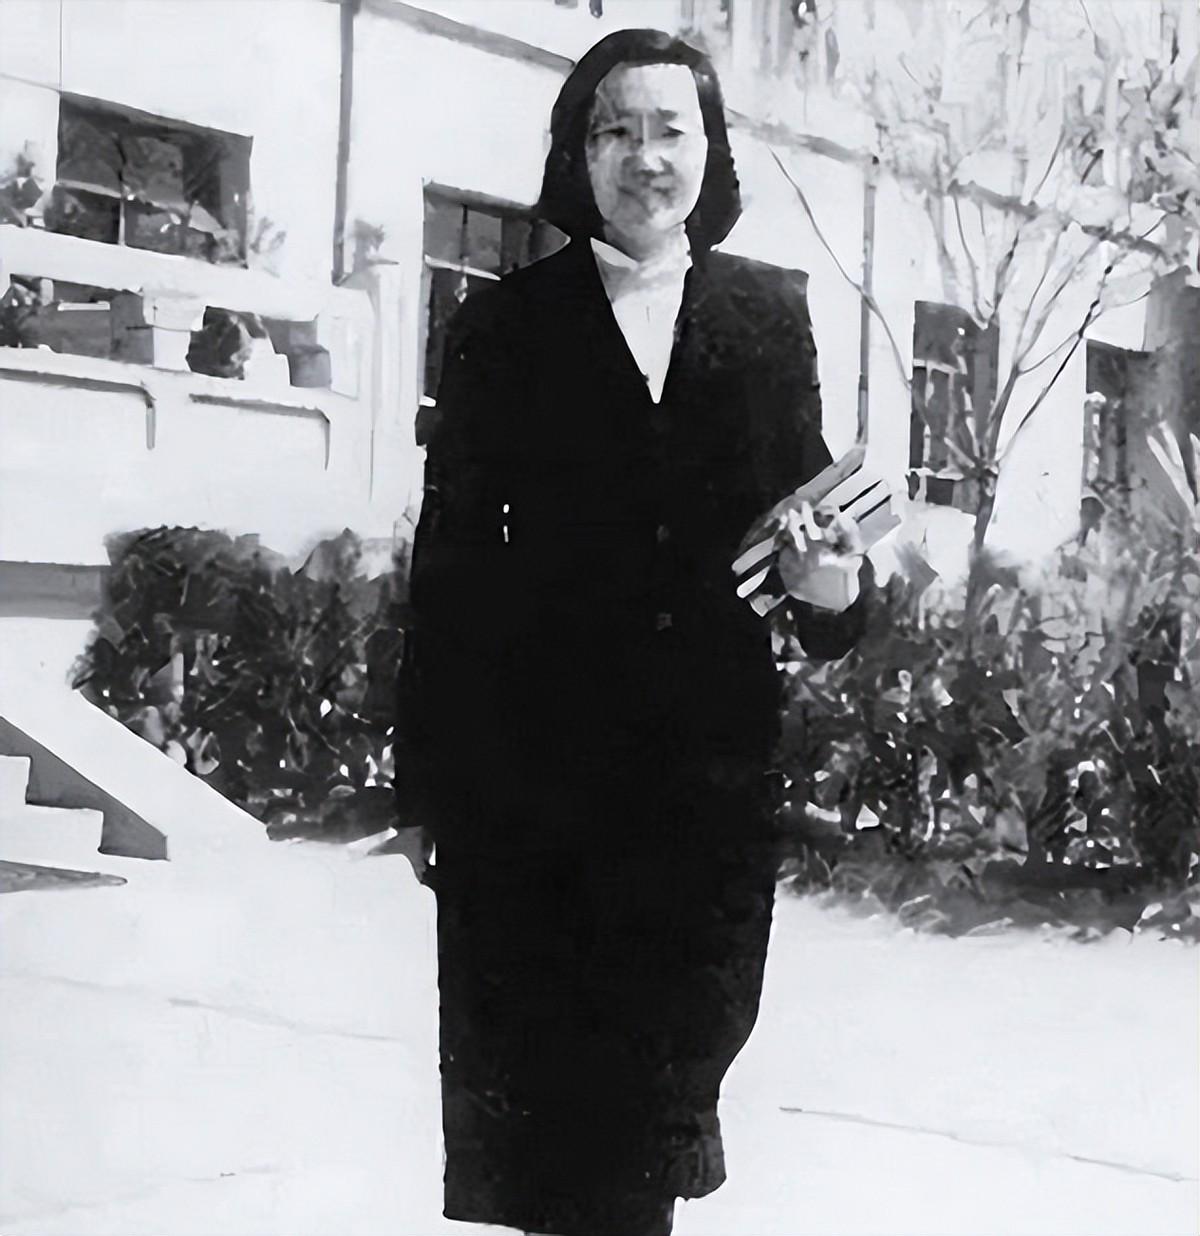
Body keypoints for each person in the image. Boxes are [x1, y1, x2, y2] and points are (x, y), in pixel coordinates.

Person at [393, 28, 872, 1236]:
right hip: (533, 794)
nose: (644, 158)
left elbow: (812, 540)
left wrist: (830, 587)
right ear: (576, 154)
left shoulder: (768, 319)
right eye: (615, 131)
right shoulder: (502, 330)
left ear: (711, 151)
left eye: (670, 131)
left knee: (659, 1111)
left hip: (704, 792)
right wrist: (429, 788)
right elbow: (447, 574)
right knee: (554, 1133)